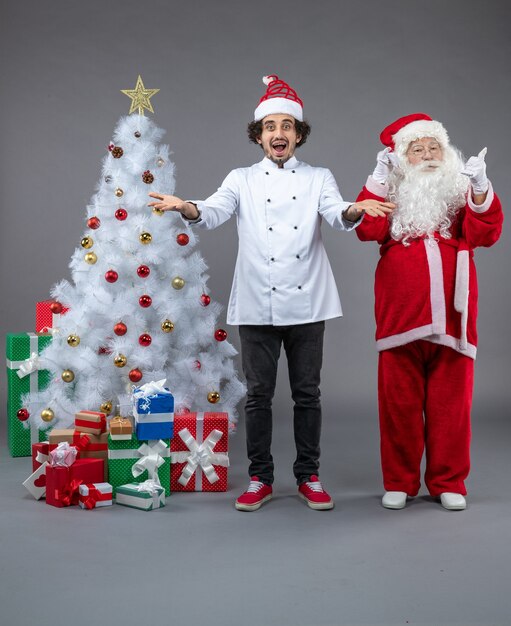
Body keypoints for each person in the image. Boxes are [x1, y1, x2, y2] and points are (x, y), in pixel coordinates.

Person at [148, 75, 391, 511]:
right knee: (258, 396)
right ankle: (260, 478)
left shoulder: (319, 177)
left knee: (307, 394)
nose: (279, 134)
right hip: (258, 301)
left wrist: (354, 209)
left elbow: (336, 214)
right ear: (258, 135)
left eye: (287, 126)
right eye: (270, 127)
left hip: (309, 301)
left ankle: (308, 476)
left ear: (298, 134)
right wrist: (188, 207)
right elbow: (214, 209)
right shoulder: (241, 179)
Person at [355, 113, 503, 511]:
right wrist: (378, 177)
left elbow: (486, 234)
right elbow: (366, 230)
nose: (427, 154)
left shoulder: (459, 191)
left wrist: (480, 187)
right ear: (402, 158)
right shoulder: (392, 191)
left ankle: (448, 480)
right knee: (399, 404)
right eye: (416, 149)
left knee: (452, 404)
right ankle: (400, 481)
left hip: (454, 318)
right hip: (400, 314)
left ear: (447, 149)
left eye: (433, 146)